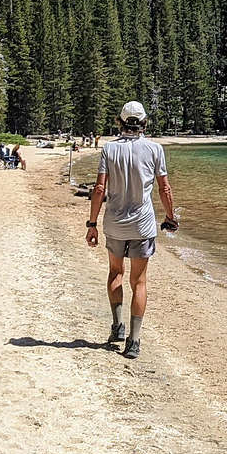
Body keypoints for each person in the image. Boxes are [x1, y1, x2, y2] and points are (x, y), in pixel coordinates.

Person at [86, 100, 177, 360]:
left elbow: (100, 189)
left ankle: (117, 327)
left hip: (114, 224)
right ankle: (134, 341)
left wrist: (91, 224)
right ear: (144, 122)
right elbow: (164, 189)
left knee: (115, 272)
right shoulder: (155, 149)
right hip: (142, 225)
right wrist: (171, 217)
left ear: (121, 122)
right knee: (139, 281)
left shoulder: (109, 149)